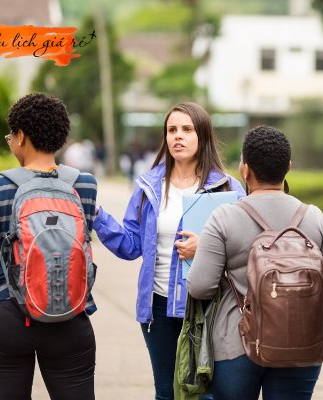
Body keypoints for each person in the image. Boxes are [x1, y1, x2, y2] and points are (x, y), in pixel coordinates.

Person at [0, 93, 98, 399]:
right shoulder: (85, 184)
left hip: (8, 318)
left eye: (10, 135)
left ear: (21, 136)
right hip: (70, 313)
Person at [92, 102, 246, 400]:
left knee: (208, 393)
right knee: (166, 392)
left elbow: (245, 248)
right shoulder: (149, 186)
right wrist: (98, 215)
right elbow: (130, 245)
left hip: (209, 307)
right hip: (158, 307)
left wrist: (207, 247)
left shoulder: (228, 188)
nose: (178, 136)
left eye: (187, 130)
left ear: (202, 136)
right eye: (172, 130)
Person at [186, 125, 323, 400]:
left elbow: (199, 287)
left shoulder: (224, 218)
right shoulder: (314, 218)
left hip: (237, 344)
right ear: (289, 168)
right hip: (302, 343)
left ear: (245, 170)